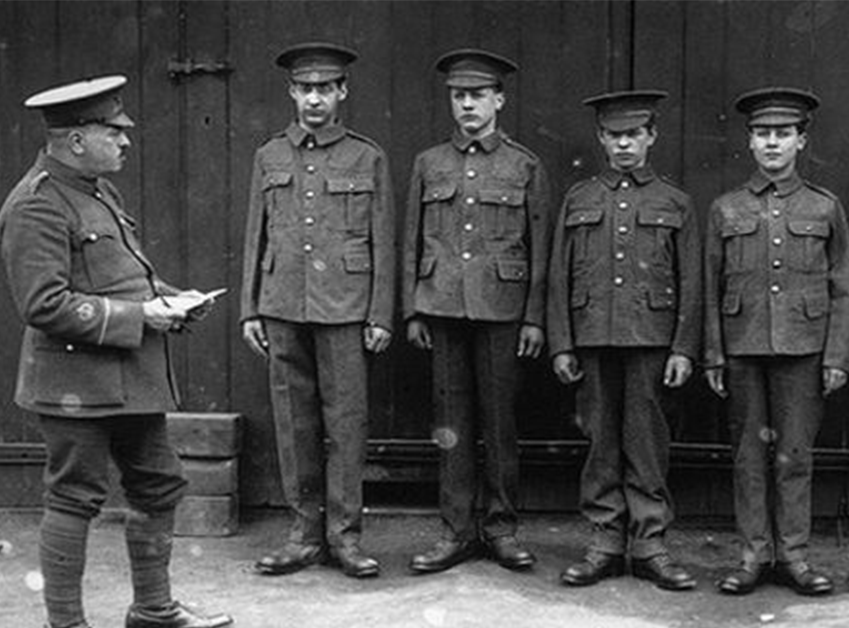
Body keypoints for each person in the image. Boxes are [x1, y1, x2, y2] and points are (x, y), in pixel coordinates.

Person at [0, 75, 231, 628]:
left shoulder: (100, 190)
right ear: (76, 139)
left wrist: (173, 300)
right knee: (75, 496)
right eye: (114, 131)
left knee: (159, 484)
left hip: (129, 378)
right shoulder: (36, 205)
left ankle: (152, 610)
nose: (126, 141)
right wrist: (140, 317)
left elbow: (121, 276)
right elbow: (43, 305)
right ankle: (67, 624)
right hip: (73, 384)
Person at [240, 42, 395, 579]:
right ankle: (304, 534)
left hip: (345, 308)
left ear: (341, 93)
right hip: (282, 303)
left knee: (346, 425)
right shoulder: (270, 156)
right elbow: (255, 238)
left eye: (324, 89)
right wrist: (250, 309)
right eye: (304, 89)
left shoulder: (365, 156)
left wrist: (379, 314)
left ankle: (345, 537)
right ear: (291, 93)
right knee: (293, 423)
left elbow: (383, 242)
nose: (313, 99)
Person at [704, 87, 849, 596]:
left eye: (783, 134)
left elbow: (844, 286)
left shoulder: (825, 206)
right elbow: (709, 287)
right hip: (744, 347)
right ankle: (753, 555)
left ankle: (793, 556)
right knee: (749, 457)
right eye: (762, 134)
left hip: (804, 351)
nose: (772, 143)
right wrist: (714, 354)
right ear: (749, 142)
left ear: (801, 141)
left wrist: (836, 356)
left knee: (795, 456)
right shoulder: (725, 208)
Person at [402, 48, 551, 574]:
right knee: (452, 425)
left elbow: (541, 251)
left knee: (499, 423)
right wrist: (412, 310)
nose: (467, 105)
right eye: (459, 96)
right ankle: (456, 531)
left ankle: (502, 529)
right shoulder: (430, 163)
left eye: (477, 96)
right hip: (441, 308)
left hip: (502, 310)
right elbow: (411, 242)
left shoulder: (524, 165)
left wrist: (534, 317)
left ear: (499, 100)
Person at [548, 90, 701, 591]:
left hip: (651, 341)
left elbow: (691, 281)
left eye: (634, 134)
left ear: (651, 136)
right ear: (601, 139)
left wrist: (683, 347)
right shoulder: (581, 198)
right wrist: (562, 344)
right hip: (592, 337)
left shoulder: (674, 202)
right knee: (600, 441)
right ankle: (604, 542)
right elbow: (558, 276)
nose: (624, 144)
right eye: (615, 135)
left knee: (647, 442)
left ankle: (651, 544)